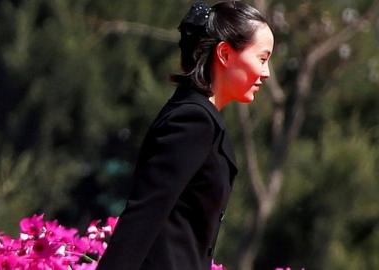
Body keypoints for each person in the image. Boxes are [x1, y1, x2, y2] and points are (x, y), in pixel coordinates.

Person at [96, 1, 274, 270]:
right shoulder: (193, 121)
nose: (266, 73)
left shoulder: (202, 118)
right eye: (262, 59)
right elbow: (145, 214)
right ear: (225, 54)